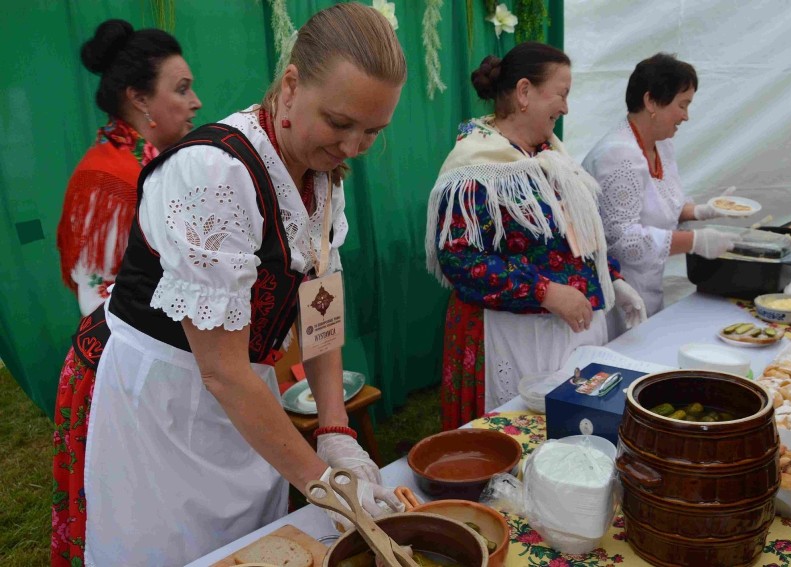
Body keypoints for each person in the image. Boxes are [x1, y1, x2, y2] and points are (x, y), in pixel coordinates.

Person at [51, 5, 406, 565]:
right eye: (340, 123)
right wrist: (327, 484)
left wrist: (336, 428)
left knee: (251, 547)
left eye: (373, 131)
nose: (354, 147)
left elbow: (320, 305)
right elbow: (220, 370)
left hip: (241, 393)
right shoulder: (214, 174)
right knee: (175, 548)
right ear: (290, 85)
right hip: (167, 400)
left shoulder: (319, 175)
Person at [425, 42, 646, 431]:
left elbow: (578, 234)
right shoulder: (478, 167)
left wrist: (612, 276)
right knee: (518, 442)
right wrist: (545, 291)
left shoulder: (549, 155)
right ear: (524, 92)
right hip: (512, 339)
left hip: (564, 340)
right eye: (561, 94)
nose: (566, 107)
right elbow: (461, 260)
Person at [583, 53, 750, 334]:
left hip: (649, 288)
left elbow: (657, 205)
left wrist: (700, 211)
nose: (686, 116)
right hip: (617, 299)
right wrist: (696, 241)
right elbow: (624, 240)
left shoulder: (661, 145)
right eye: (682, 105)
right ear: (651, 102)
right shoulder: (620, 154)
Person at [56, 19, 202, 316]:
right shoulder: (106, 183)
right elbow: (98, 302)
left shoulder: (161, 163)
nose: (196, 102)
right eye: (182, 89)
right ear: (139, 98)